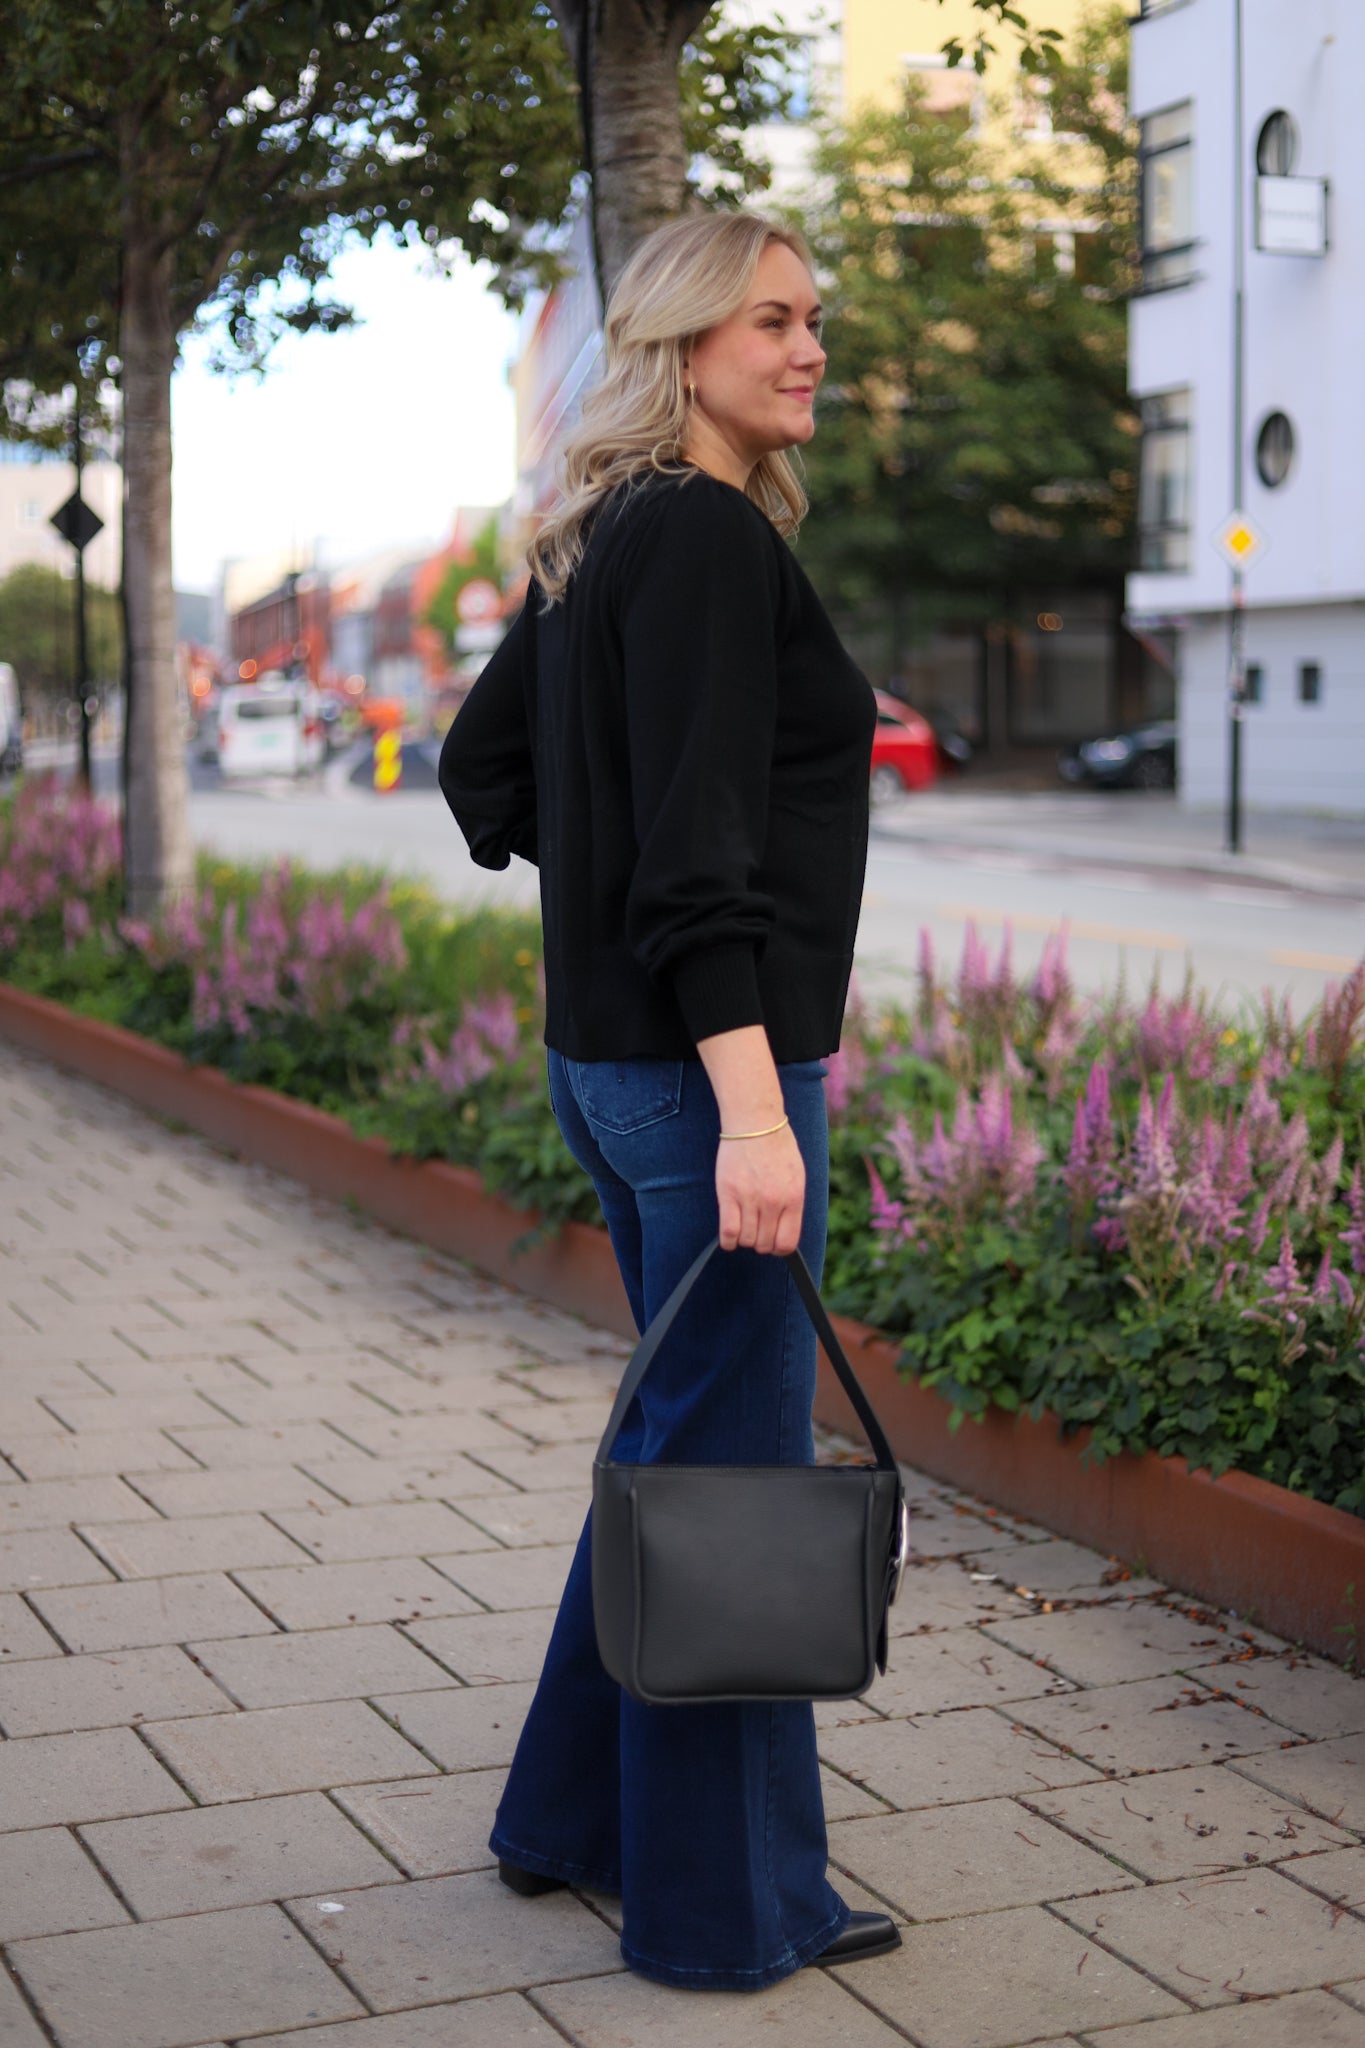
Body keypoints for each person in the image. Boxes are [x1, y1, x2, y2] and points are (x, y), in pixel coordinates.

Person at [438, 209, 896, 1991]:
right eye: (772, 319)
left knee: (674, 1453)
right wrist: (755, 1115)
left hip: (612, 1073)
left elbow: (486, 771)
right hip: (711, 1090)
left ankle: (567, 1819)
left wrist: (611, 879)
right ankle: (726, 1912)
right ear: (686, 342)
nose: (810, 347)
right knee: (728, 1489)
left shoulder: (601, 533)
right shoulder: (698, 537)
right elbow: (700, 866)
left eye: (814, 319)